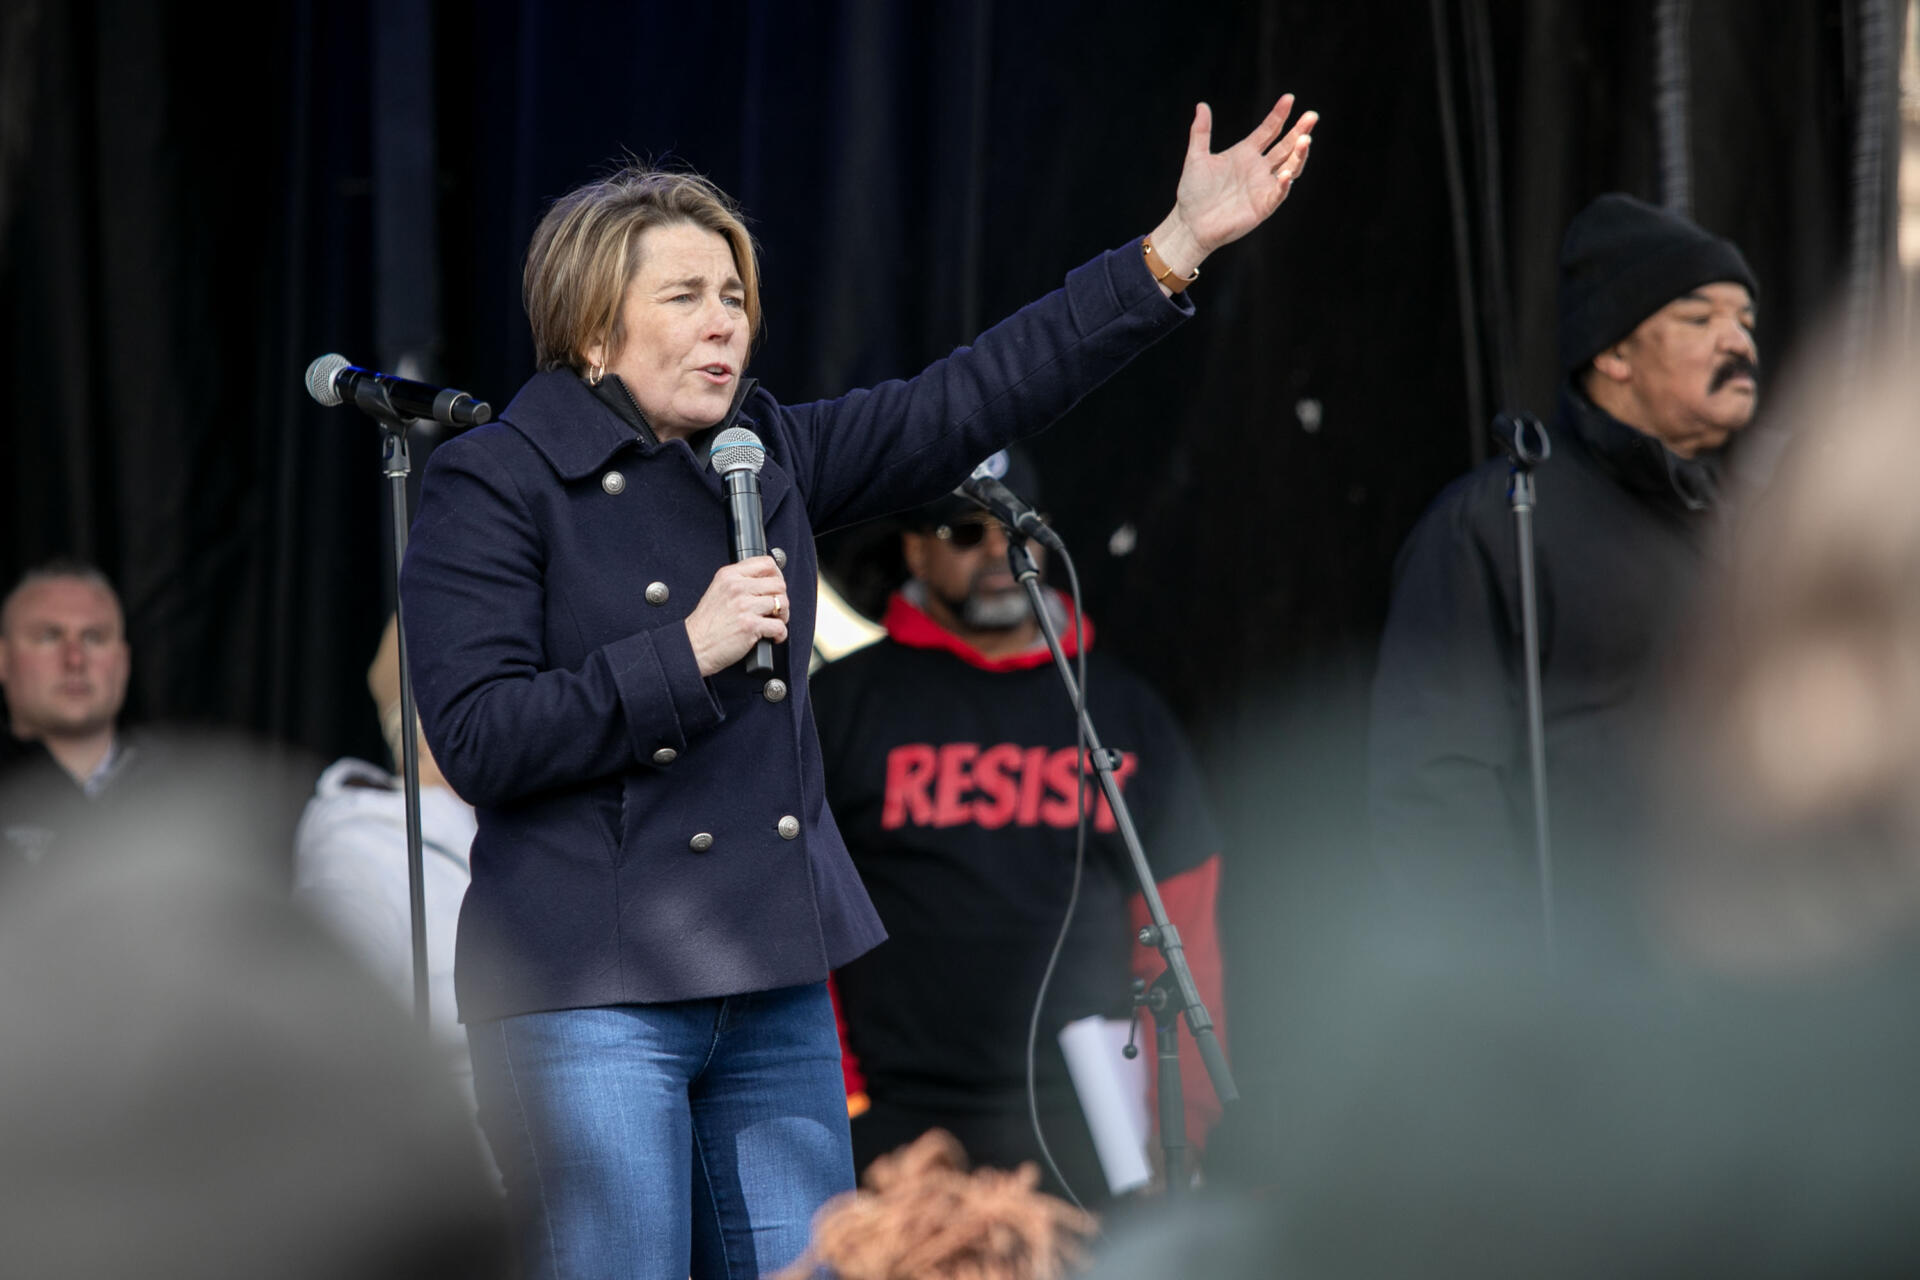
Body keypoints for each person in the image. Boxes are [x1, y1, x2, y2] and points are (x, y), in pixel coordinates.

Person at [400, 95, 1317, 1280]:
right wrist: (686, 651)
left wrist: (1174, 250)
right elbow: (477, 736)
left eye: (735, 297)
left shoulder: (767, 452)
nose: (724, 324)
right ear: (590, 330)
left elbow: (971, 395)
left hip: (770, 981)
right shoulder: (497, 480)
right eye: (685, 297)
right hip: (589, 988)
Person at [811, 451, 1225, 1206]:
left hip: (1092, 1115)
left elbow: (1183, 924)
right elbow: (799, 919)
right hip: (897, 1122)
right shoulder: (841, 707)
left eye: (1016, 534)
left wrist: (1182, 1120)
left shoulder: (1120, 707)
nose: (1000, 556)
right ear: (915, 549)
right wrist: (836, 1100)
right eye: (966, 535)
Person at [1367, 193, 1760, 951]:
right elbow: (1435, 788)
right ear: (1613, 353)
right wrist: (1509, 1001)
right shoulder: (1494, 521)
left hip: (1730, 994)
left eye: (1745, 319)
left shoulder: (1749, 532)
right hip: (1573, 1010)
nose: (1737, 340)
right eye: (1700, 318)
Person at [0, 559, 140, 870]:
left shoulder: (190, 796)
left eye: (94, 637)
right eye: (48, 636)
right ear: (3, 658)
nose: (75, 659)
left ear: (123, 662)